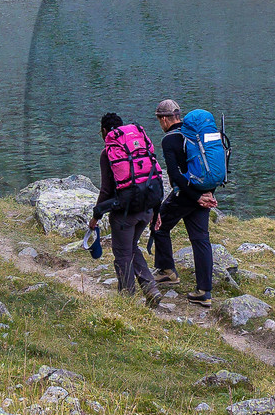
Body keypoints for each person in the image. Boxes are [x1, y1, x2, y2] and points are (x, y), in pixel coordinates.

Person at [88, 113, 163, 308]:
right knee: (131, 247)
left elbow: (105, 190)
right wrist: (157, 211)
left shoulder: (108, 153)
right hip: (146, 208)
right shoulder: (139, 147)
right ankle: (151, 289)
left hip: (125, 213)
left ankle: (126, 301)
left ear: (105, 131)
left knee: (122, 253)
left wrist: (96, 215)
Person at [150, 99, 215, 308]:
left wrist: (195, 197)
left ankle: (167, 271)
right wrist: (206, 194)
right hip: (203, 193)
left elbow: (175, 176)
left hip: (187, 195)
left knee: (158, 225)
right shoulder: (195, 136)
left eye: (159, 119)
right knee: (201, 240)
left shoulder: (170, 140)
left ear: (165, 119)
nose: (160, 123)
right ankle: (205, 291)